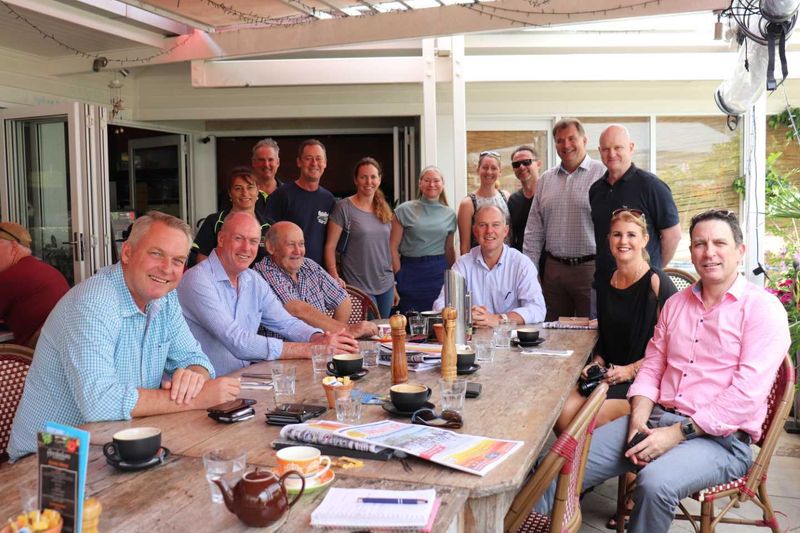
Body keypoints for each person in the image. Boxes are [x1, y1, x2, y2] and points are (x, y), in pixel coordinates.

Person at [535, 209, 790, 533]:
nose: (709, 252)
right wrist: (639, 418)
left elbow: (745, 395)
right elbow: (653, 366)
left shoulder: (763, 309)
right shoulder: (677, 305)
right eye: (699, 244)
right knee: (556, 463)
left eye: (719, 243)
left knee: (654, 484)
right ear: (691, 252)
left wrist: (675, 435)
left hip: (719, 441)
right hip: (655, 419)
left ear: (740, 251)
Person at [7, 212, 240, 461]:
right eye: (157, 254)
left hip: (117, 444)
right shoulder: (94, 302)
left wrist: (193, 378)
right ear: (127, 253)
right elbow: (100, 403)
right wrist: (196, 399)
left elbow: (196, 358)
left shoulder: (165, 298)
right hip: (49, 458)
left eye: (178, 260)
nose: (167, 269)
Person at [178, 212, 358, 377]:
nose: (246, 248)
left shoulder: (252, 279)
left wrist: (319, 338)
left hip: (246, 381)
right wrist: (310, 349)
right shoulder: (197, 280)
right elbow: (238, 341)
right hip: (204, 390)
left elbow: (286, 323)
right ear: (221, 239)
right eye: (239, 239)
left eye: (254, 241)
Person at [554, 209, 676, 434]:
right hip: (609, 376)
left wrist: (630, 370)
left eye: (631, 235)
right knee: (560, 414)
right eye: (617, 235)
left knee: (584, 422)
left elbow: (675, 348)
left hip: (644, 383)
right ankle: (585, 467)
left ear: (645, 240)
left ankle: (614, 464)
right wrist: (597, 363)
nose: (623, 241)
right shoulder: (605, 282)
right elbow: (606, 338)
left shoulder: (657, 282)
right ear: (609, 240)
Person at [523, 118, 606, 321]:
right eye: (560, 140)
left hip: (590, 270)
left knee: (593, 330)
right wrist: (530, 273)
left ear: (584, 140)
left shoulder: (602, 174)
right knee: (552, 332)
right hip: (554, 271)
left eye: (571, 138)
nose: (566, 145)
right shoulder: (545, 180)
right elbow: (534, 230)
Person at [590, 124, 681, 286]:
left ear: (631, 148)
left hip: (643, 285)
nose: (612, 154)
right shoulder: (596, 190)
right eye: (606, 149)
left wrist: (655, 269)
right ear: (599, 151)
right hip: (604, 284)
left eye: (618, 147)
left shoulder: (652, 186)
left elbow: (672, 235)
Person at [255, 221, 377, 339]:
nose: (298, 251)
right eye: (290, 244)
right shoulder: (263, 271)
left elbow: (343, 301)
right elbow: (296, 309)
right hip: (282, 355)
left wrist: (333, 337)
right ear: (271, 247)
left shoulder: (309, 265)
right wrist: (347, 330)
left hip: (315, 351)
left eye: (301, 244)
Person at [433, 205, 546, 327]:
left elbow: (537, 309)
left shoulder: (521, 264)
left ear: (505, 231)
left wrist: (499, 319)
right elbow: (440, 305)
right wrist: (465, 314)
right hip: (472, 341)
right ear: (475, 231)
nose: (489, 231)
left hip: (510, 341)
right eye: (483, 225)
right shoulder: (462, 265)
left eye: (495, 225)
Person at [324, 157, 396, 318]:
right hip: (359, 285)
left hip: (386, 285)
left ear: (379, 179)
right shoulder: (343, 208)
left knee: (382, 334)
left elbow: (387, 248)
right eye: (363, 177)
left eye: (373, 177)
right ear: (356, 180)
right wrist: (334, 276)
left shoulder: (383, 207)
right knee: (368, 334)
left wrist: (394, 285)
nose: (368, 181)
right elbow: (330, 247)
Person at [390, 166, 457, 313]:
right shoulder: (404, 210)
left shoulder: (450, 214)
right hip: (410, 271)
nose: (431, 184)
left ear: (442, 184)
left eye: (436, 180)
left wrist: (453, 277)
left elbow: (449, 249)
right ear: (420, 184)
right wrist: (398, 274)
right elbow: (392, 247)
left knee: (438, 319)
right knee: (410, 320)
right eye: (427, 180)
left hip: (438, 272)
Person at [264, 139, 336, 265]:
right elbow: (268, 237)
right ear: (299, 162)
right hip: (285, 272)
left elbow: (330, 242)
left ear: (325, 163)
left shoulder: (329, 200)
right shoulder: (282, 195)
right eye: (308, 158)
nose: (314, 163)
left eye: (318, 159)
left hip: (317, 274)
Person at [0, 222, 68, 346]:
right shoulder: (46, 269)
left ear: (14, 247)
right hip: (60, 347)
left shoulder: (11, 276)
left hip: (33, 355)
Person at [192, 167, 271, 266]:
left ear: (258, 190)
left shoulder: (270, 226)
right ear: (230, 193)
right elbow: (202, 262)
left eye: (250, 187)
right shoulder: (214, 222)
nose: (245, 193)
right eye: (238, 188)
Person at [457, 150, 511, 256]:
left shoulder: (506, 197)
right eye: (485, 167)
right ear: (478, 170)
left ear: (500, 172)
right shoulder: (468, 204)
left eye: (494, 168)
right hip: (478, 263)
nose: (489, 172)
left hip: (505, 262)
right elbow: (465, 246)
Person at [507, 146, 541, 252]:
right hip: (523, 260)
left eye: (527, 162)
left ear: (538, 164)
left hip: (550, 261)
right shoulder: (513, 200)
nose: (521, 167)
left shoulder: (549, 194)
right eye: (516, 164)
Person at [251, 138, 283, 221]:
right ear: (253, 162)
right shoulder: (243, 194)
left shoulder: (288, 193)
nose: (266, 164)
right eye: (261, 160)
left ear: (278, 162)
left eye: (270, 159)